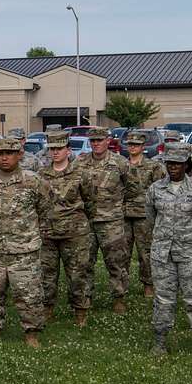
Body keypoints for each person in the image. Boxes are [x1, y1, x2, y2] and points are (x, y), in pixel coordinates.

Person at [0, 137, 49, 347]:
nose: (4, 157)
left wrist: (28, 234)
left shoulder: (33, 181)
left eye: (9, 153)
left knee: (29, 294)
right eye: (1, 153)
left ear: (20, 155)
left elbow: (45, 209)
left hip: (24, 250)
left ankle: (31, 334)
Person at [146, 143, 192, 358]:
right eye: (169, 163)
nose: (173, 167)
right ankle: (159, 342)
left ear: (187, 164)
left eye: (177, 163)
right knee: (163, 299)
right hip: (163, 254)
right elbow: (151, 218)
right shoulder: (156, 189)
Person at [37, 130, 93, 327]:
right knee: (46, 274)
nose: (55, 152)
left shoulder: (80, 174)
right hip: (47, 233)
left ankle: (80, 311)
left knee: (78, 274)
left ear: (68, 151)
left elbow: (89, 200)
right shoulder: (41, 175)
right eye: (52, 149)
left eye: (59, 148)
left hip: (74, 234)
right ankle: (47, 309)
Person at [78, 127, 131, 314]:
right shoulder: (80, 162)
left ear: (108, 141)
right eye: (93, 141)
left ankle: (119, 297)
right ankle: (85, 298)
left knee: (116, 262)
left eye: (99, 140)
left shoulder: (121, 162)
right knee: (84, 262)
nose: (96, 144)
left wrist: (118, 208)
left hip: (112, 221)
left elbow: (133, 189)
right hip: (87, 220)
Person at [124, 130, 166, 298]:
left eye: (136, 145)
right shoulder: (122, 165)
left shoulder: (153, 166)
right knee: (122, 254)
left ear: (143, 146)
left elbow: (160, 190)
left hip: (144, 216)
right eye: (130, 144)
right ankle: (122, 287)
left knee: (146, 253)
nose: (133, 147)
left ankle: (149, 286)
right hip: (124, 214)